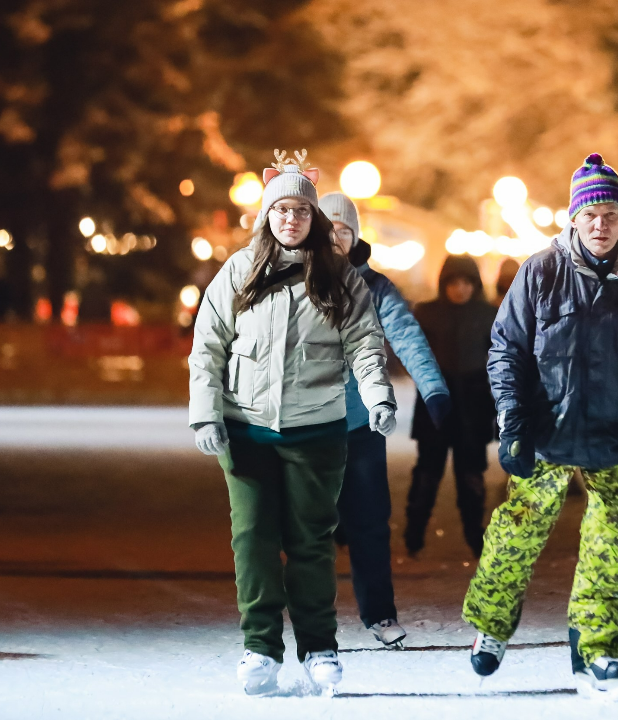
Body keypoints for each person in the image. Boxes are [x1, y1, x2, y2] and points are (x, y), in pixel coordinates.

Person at [462, 153, 618, 699]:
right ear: (573, 219)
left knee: (608, 542)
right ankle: (490, 627)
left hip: (616, 432)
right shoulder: (541, 271)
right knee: (518, 531)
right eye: (591, 214)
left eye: (610, 214)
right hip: (548, 430)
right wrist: (511, 418)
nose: (600, 224)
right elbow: (505, 350)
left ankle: (597, 650)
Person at [188, 151, 396, 696]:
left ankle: (320, 648)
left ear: (314, 218)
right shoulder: (240, 270)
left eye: (301, 211)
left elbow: (366, 344)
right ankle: (259, 648)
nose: (290, 219)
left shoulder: (338, 277)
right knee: (253, 540)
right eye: (280, 209)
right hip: (247, 431)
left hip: (316, 432)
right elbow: (208, 346)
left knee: (310, 542)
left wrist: (377, 397)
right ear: (266, 215)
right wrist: (206, 413)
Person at [319, 191, 451, 648]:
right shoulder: (294, 281)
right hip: (307, 425)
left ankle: (379, 614)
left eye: (344, 230)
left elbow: (407, 336)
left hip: (361, 422)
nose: (336, 237)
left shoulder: (375, 288)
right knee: (311, 525)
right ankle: (312, 622)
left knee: (370, 521)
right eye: (328, 228)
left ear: (355, 236)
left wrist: (434, 391)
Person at [405, 254, 498, 559]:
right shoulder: (427, 313)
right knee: (427, 475)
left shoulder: (489, 315)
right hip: (436, 400)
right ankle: (413, 534)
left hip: (473, 402)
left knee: (471, 476)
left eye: (466, 283)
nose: (460, 289)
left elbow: (501, 356)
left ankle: (475, 535)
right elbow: (412, 351)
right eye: (454, 283)